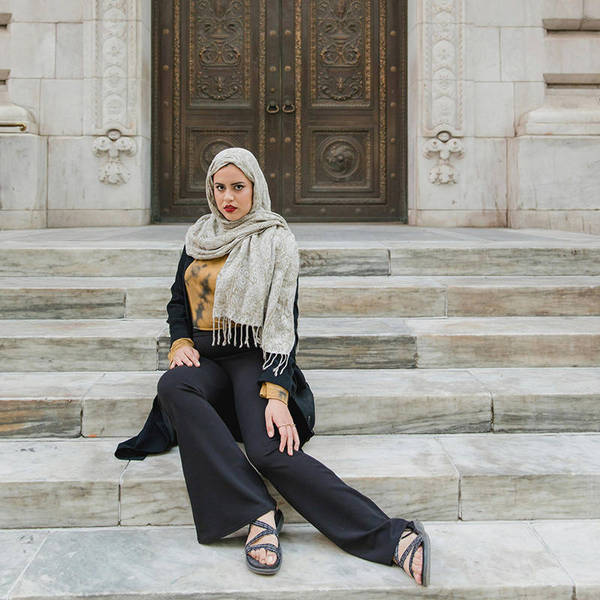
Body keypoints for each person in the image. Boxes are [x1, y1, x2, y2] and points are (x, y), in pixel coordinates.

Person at [114, 147, 430, 585]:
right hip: (206, 358)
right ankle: (258, 512)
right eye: (219, 187)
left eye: (237, 187)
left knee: (269, 451)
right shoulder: (199, 236)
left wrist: (277, 393)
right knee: (173, 385)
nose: (228, 197)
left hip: (254, 356)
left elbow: (283, 322)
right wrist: (180, 341)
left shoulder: (275, 240)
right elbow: (177, 302)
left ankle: (390, 536)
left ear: (255, 188)